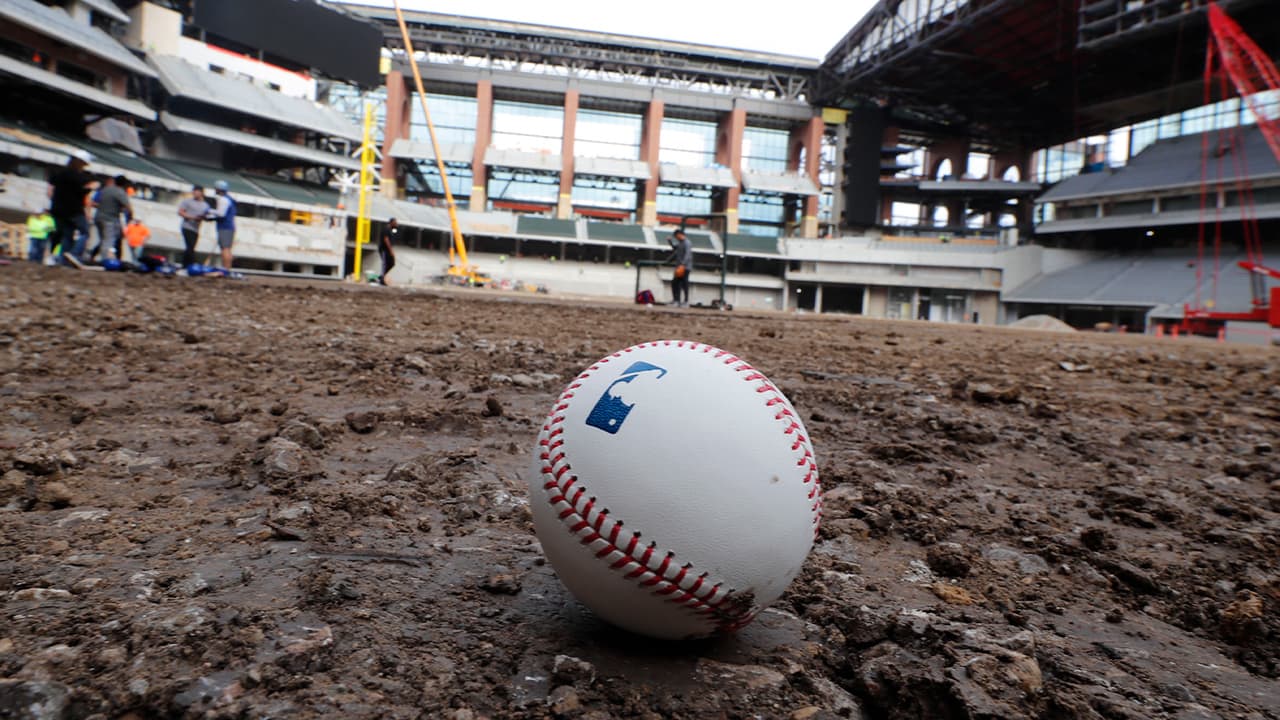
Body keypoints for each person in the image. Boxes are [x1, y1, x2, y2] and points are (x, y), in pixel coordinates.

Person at [47, 150, 97, 266]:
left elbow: (50, 191)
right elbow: (79, 191)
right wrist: (91, 188)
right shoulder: (77, 177)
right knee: (85, 232)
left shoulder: (59, 174)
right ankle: (73, 254)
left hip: (58, 209)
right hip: (73, 210)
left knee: (67, 234)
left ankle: (62, 259)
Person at [89, 175, 132, 262]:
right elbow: (128, 207)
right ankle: (105, 260)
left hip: (98, 217)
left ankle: (93, 256)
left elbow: (94, 203)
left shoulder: (105, 190)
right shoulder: (120, 192)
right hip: (110, 219)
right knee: (109, 241)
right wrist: (129, 217)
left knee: (104, 240)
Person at [176, 185, 211, 269]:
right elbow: (180, 212)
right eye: (194, 191)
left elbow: (207, 216)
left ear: (202, 193)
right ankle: (188, 265)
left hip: (196, 228)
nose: (195, 193)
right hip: (187, 226)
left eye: (197, 191)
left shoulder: (205, 205)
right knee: (190, 246)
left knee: (191, 247)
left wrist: (203, 218)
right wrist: (192, 217)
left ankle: (187, 265)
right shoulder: (187, 202)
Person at [208, 179, 237, 270]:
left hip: (225, 227)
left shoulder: (223, 200)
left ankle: (226, 268)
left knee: (225, 249)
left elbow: (221, 214)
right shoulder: (229, 199)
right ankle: (227, 268)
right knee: (226, 248)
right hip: (228, 227)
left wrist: (209, 211)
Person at [667, 228, 693, 307]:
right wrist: (670, 242)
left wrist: (683, 264)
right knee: (675, 283)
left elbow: (687, 255)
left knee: (684, 284)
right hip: (680, 267)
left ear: (679, 235)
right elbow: (675, 248)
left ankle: (685, 301)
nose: (676, 238)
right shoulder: (680, 243)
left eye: (676, 236)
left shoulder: (687, 242)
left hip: (685, 267)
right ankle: (676, 300)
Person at [379, 217, 398, 285]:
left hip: (388, 250)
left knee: (392, 263)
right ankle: (382, 280)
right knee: (385, 264)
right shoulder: (386, 229)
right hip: (384, 249)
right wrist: (390, 250)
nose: (396, 224)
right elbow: (386, 240)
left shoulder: (391, 230)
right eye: (395, 222)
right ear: (392, 222)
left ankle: (382, 276)